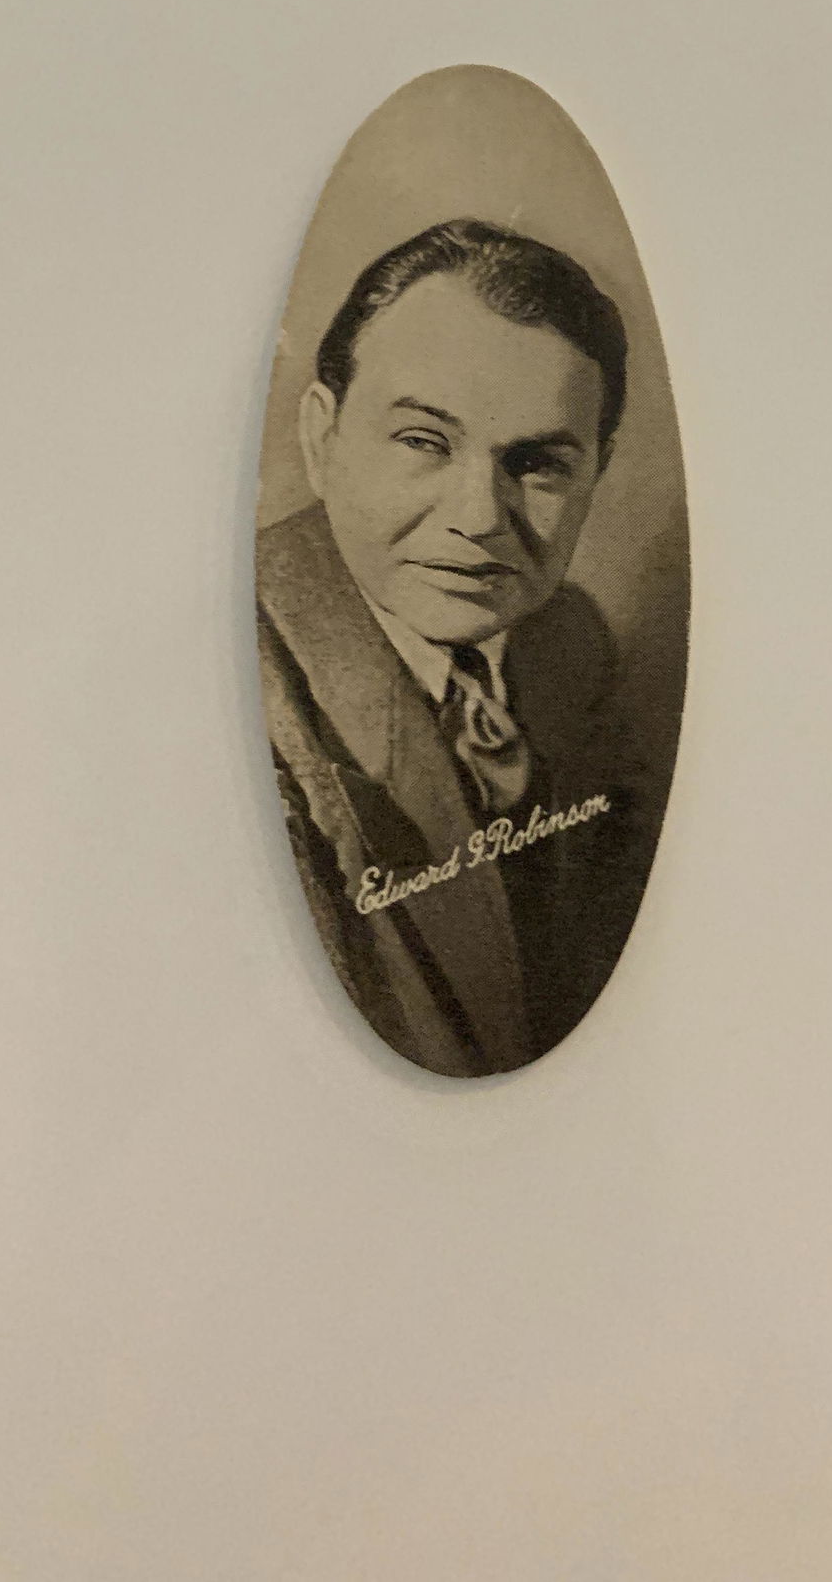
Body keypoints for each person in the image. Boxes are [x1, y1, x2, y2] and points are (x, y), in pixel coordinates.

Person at [256, 217, 656, 1076]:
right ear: (322, 438)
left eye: (538, 464)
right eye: (423, 442)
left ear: (597, 471)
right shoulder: (249, 687)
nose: (479, 517)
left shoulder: (569, 642)